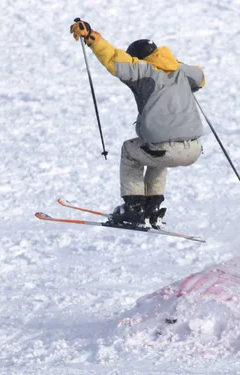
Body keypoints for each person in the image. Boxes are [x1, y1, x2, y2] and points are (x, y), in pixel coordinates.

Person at [70, 19, 205, 229]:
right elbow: (201, 77)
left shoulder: (145, 71)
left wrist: (92, 39)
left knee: (130, 150)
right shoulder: (180, 70)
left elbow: (116, 60)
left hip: (166, 149)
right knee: (155, 152)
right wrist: (174, 62)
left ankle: (134, 209)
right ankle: (152, 209)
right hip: (194, 149)